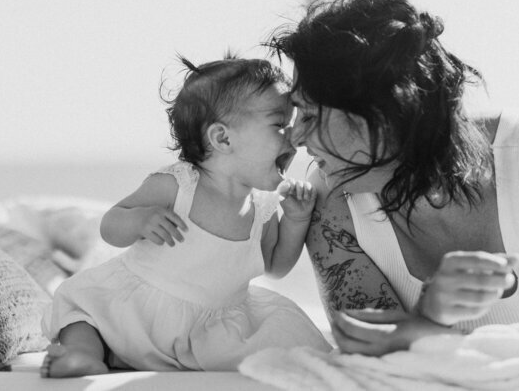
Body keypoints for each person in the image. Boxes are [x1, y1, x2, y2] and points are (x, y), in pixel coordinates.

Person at [265, 0, 519, 356]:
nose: (296, 138)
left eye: (311, 116)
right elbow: (363, 348)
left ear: (382, 113)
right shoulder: (331, 198)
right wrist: (428, 318)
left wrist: (422, 332)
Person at [40, 55, 332, 377]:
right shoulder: (179, 185)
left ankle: (113, 354)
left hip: (208, 330)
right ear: (222, 138)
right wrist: (140, 220)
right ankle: (82, 355)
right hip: (134, 314)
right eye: (279, 124)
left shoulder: (262, 208)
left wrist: (296, 220)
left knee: (286, 340)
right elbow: (110, 226)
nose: (293, 138)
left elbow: (276, 266)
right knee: (82, 314)